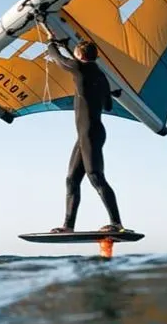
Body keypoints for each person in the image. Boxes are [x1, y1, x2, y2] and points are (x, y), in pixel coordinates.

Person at [46, 40, 128, 234]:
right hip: (91, 132)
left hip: (89, 133)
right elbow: (108, 105)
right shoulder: (101, 76)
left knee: (95, 176)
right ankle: (68, 226)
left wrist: (51, 43)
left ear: (79, 55)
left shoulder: (78, 67)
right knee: (72, 180)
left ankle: (116, 223)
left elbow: (58, 59)